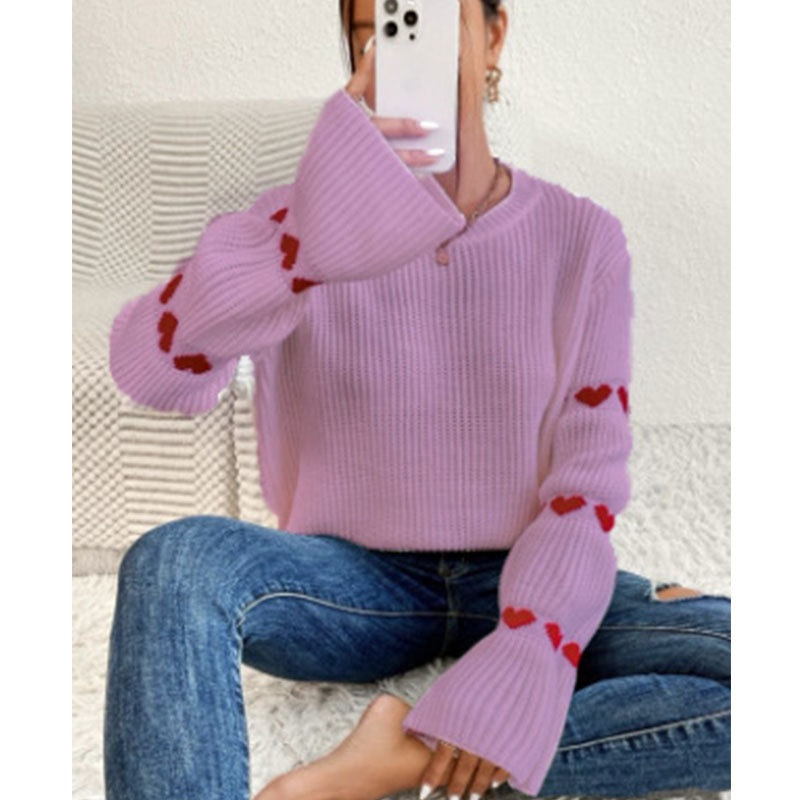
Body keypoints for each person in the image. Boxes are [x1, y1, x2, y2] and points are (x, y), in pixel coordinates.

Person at [102, 1, 731, 798]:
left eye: (426, 18)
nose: (401, 48)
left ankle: (396, 763)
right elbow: (150, 371)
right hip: (348, 585)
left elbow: (587, 476)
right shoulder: (293, 229)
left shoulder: (581, 236)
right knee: (175, 562)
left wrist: (533, 649)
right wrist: (306, 243)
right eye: (376, 29)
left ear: (493, 35)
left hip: (523, 572)